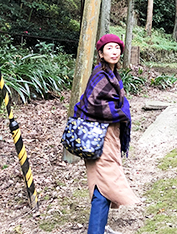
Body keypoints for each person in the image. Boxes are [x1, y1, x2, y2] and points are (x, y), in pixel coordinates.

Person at [72, 34, 140, 234]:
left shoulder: (111, 74)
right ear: (101, 53)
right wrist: (122, 111)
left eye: (117, 48)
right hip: (98, 136)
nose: (114, 51)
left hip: (108, 135)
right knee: (103, 185)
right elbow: (93, 103)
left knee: (100, 183)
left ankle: (99, 227)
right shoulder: (100, 75)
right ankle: (95, 231)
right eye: (109, 48)